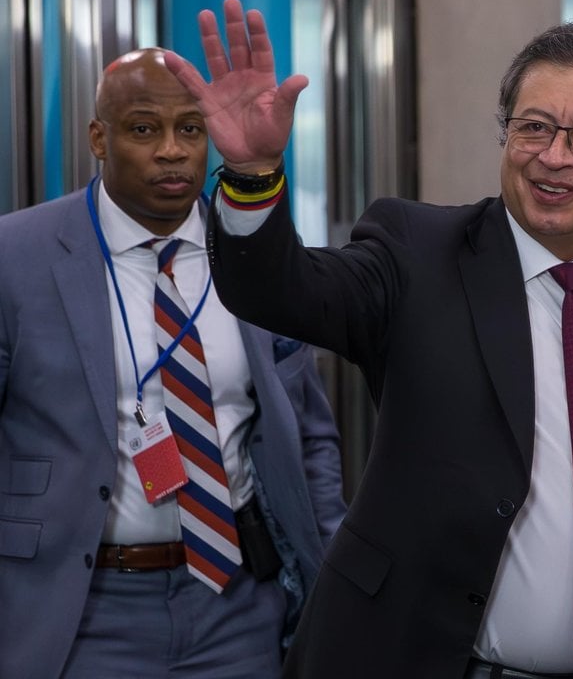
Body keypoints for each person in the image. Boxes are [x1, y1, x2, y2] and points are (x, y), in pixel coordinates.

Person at [164, 0, 573, 678]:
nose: (554, 157)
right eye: (534, 127)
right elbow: (282, 291)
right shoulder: (417, 254)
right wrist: (253, 179)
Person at [0, 48, 346, 679]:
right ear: (99, 139)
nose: (172, 151)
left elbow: (309, 435)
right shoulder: (14, 258)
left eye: (190, 129)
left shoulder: (255, 257)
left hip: (237, 606)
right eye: (143, 129)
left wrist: (334, 576)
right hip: (78, 611)